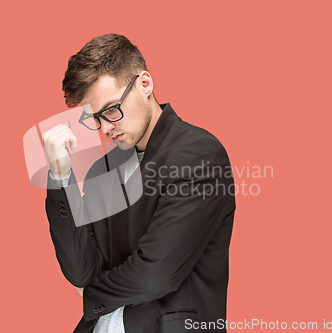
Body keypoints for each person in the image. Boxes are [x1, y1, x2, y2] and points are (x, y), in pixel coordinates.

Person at [43, 33, 236, 333]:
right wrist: (60, 177)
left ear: (145, 84)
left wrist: (92, 294)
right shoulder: (102, 170)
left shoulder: (199, 155)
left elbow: (156, 274)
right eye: (96, 118)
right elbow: (81, 271)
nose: (106, 128)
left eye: (111, 109)